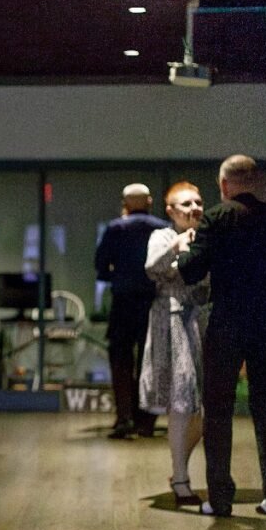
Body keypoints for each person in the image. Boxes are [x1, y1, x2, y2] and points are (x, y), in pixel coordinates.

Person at [178, 155, 266, 519]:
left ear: (224, 185)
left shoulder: (216, 219)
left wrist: (189, 248)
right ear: (256, 183)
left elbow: (190, 272)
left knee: (218, 410)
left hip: (228, 320)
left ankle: (220, 500)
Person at [138, 182, 208, 506]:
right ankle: (181, 478)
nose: (193, 208)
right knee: (181, 397)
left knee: (205, 408)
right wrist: (178, 244)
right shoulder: (163, 236)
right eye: (185, 204)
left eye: (197, 202)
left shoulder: (209, 235)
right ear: (170, 211)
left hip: (205, 320)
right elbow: (153, 267)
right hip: (173, 319)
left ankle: (179, 467)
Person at [95, 183, 169, 439]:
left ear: (125, 203)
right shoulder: (162, 227)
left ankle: (124, 416)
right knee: (150, 359)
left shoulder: (116, 228)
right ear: (149, 201)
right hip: (153, 300)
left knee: (120, 358)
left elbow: (101, 265)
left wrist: (117, 276)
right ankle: (146, 419)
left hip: (123, 300)